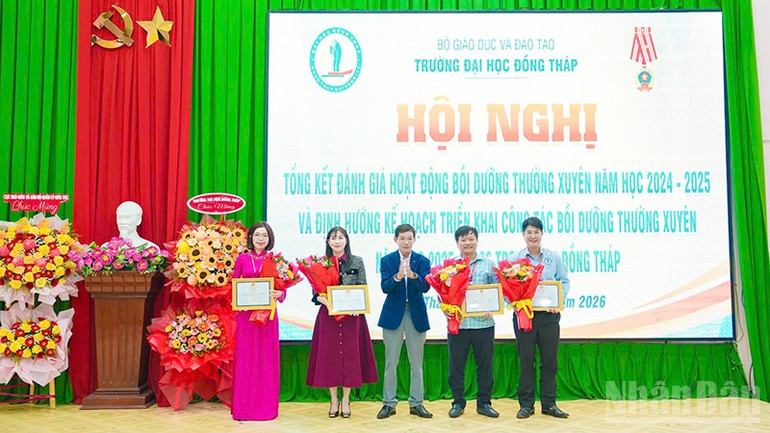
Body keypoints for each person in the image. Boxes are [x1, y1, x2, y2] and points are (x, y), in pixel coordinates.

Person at [306, 226, 378, 419]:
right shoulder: (320, 263)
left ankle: (346, 400)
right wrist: (323, 300)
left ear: (346, 240)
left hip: (352, 318)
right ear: (328, 241)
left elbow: (362, 287)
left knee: (350, 358)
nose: (337, 241)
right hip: (328, 317)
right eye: (333, 238)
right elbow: (315, 293)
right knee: (330, 358)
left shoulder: (357, 261)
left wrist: (358, 305)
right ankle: (333, 400)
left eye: (340, 237)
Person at [513, 216, 570, 419]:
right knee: (526, 361)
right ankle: (526, 405)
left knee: (549, 361)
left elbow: (564, 281)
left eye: (536, 232)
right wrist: (514, 301)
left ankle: (549, 404)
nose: (533, 236)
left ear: (542, 234)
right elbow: (507, 286)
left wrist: (558, 301)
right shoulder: (515, 259)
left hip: (549, 317)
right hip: (525, 318)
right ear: (523, 235)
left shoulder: (553, 257)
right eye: (529, 232)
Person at [376, 223, 433, 419]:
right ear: (396, 240)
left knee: (416, 362)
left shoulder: (422, 261)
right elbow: (385, 287)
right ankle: (389, 403)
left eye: (409, 238)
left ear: (414, 239)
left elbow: (425, 287)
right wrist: (398, 277)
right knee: (391, 362)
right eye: (402, 238)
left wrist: (413, 275)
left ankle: (416, 403)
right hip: (393, 315)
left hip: (416, 315)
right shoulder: (387, 260)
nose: (406, 242)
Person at [231, 222, 286, 421]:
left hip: (267, 317)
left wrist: (280, 293)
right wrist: (238, 299)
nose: (261, 239)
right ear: (251, 237)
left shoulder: (276, 260)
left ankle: (266, 409)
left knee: (266, 360)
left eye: (264, 235)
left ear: (270, 238)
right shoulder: (242, 259)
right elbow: (234, 285)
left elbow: (283, 288)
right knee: (246, 359)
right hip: (246, 318)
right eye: (257, 235)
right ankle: (243, 410)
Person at [445, 226, 499, 418]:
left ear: (477, 240)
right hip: (458, 325)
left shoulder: (488, 264)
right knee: (456, 367)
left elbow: (499, 290)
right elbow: (443, 293)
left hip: (483, 325)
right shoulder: (450, 267)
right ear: (457, 243)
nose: (467, 243)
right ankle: (458, 403)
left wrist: (492, 307)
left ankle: (484, 403)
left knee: (485, 367)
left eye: (471, 239)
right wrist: (445, 308)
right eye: (463, 240)